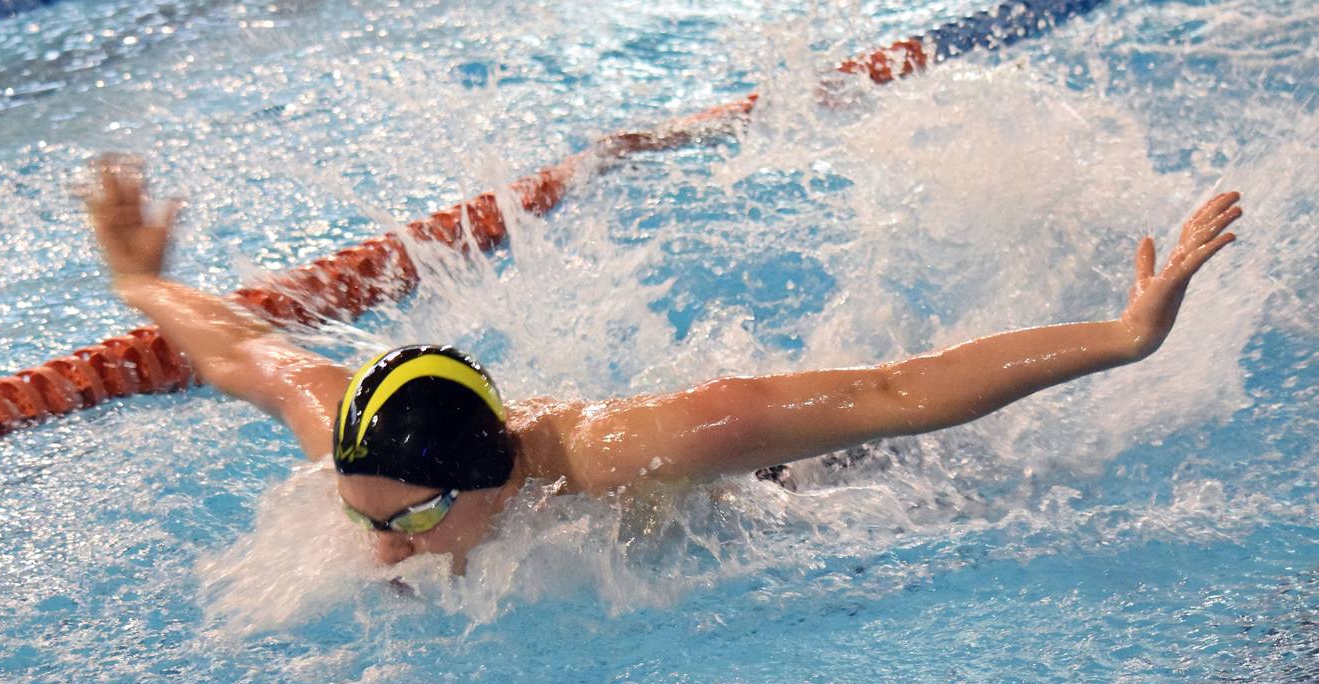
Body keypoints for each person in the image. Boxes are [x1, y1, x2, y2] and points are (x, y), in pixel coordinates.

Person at [83, 156, 1240, 574]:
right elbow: (247, 348)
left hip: (790, 496)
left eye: (414, 521)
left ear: (491, 476)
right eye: (363, 517)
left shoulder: (623, 453)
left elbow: (892, 392)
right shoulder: (365, 441)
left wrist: (1123, 335)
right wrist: (140, 286)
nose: (382, 548)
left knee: (884, 472)